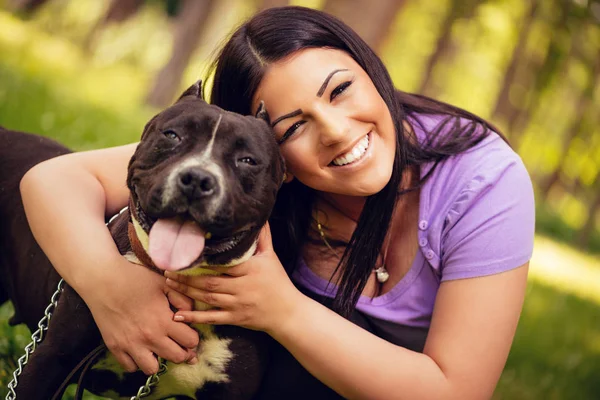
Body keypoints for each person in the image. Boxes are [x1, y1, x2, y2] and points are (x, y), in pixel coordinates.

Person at [20, 6, 535, 399]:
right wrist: (111, 285)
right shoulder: (245, 164)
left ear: (372, 70)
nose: (335, 132)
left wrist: (282, 310)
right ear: (260, 146)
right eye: (293, 127)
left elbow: (457, 391)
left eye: (340, 91)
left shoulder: (483, 181)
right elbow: (54, 180)